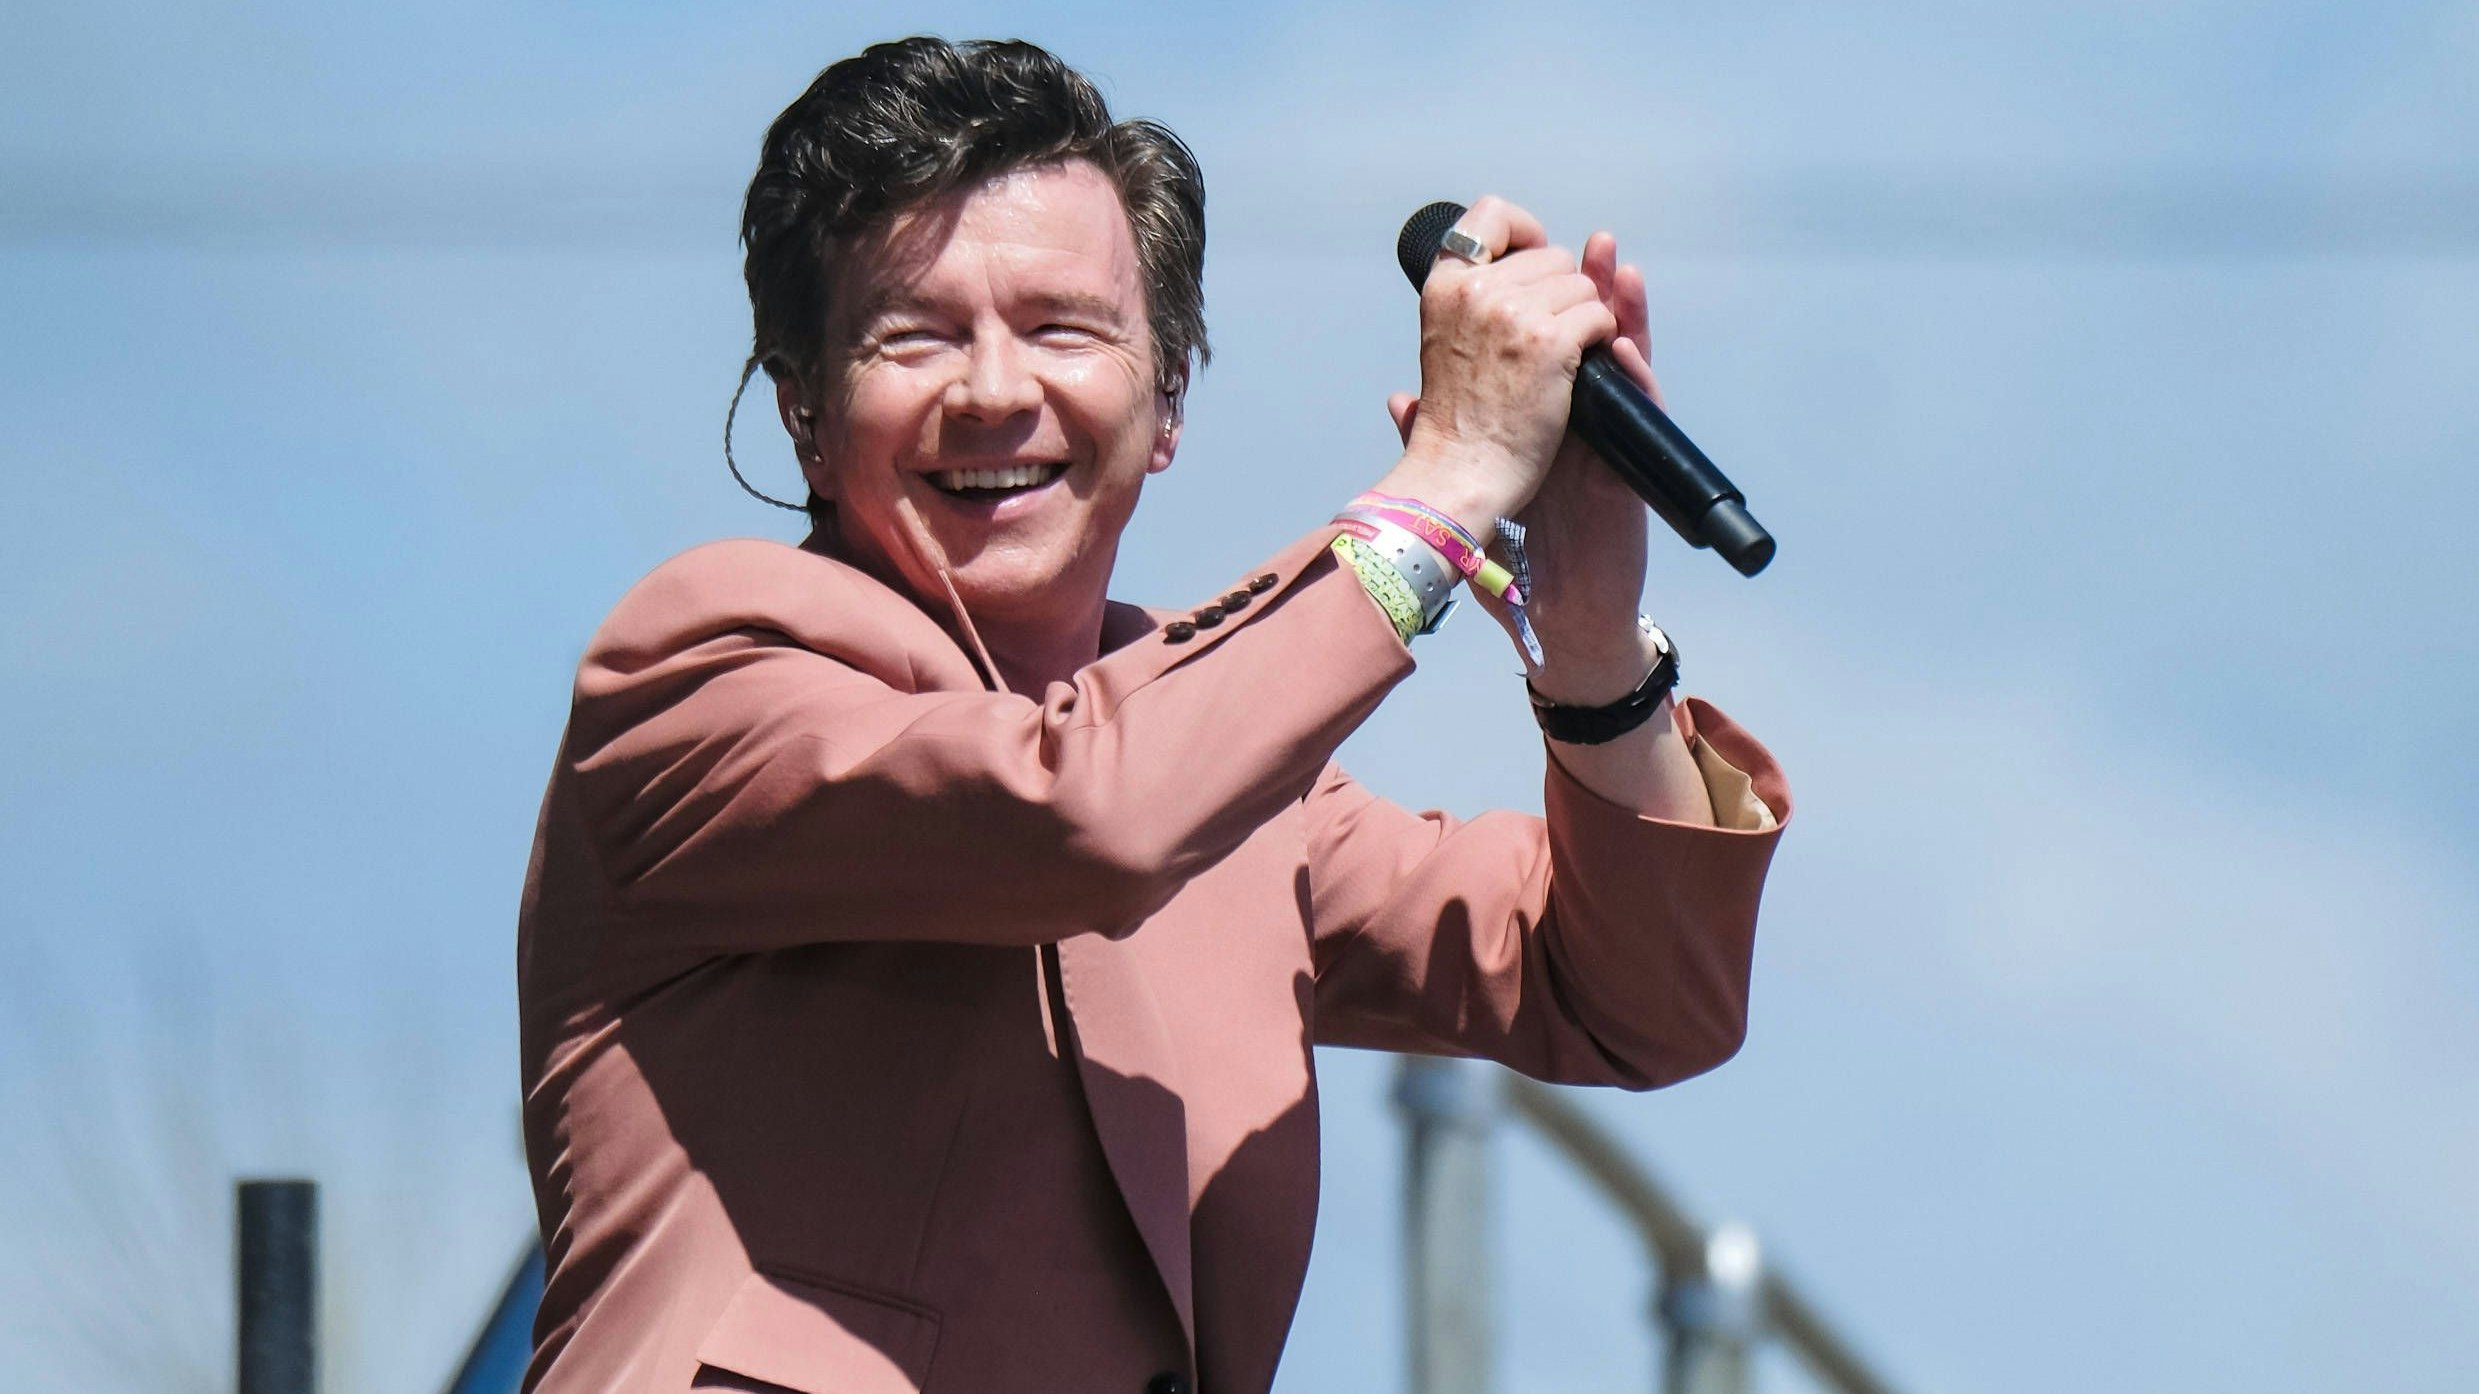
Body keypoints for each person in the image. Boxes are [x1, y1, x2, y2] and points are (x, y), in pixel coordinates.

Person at [516, 35, 1788, 1394]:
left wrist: (1592, 645)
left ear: (1168, 396)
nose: (995, 390)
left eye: (1063, 327)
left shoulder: (1249, 801)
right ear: (805, 412)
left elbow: (1641, 1000)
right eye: (915, 333)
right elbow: (1084, 809)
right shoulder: (702, 667)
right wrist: (1443, 490)